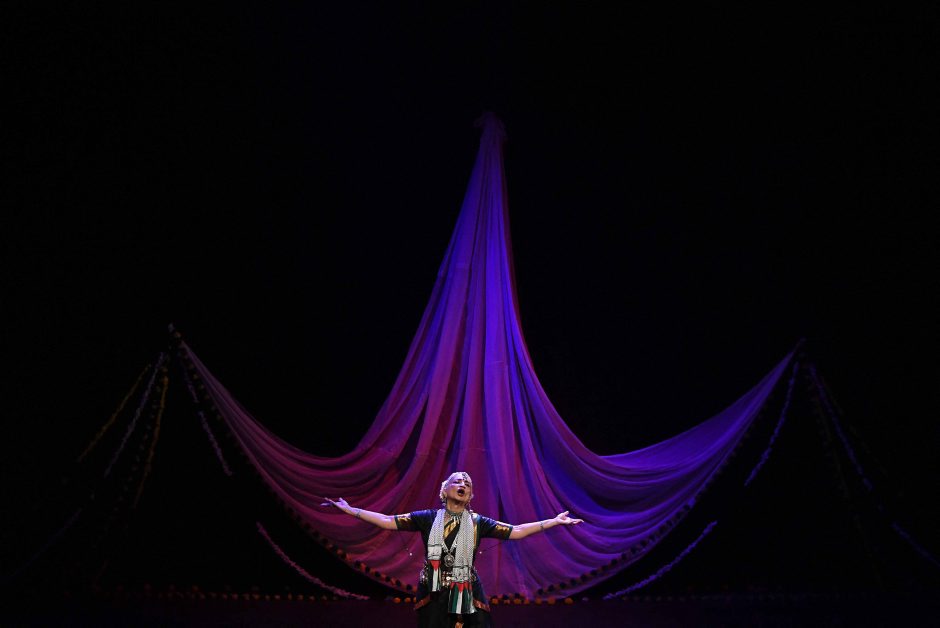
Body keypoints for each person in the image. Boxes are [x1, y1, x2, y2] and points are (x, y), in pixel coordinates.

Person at [326, 471, 583, 627]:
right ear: (445, 489)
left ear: (470, 495)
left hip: (468, 587)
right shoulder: (427, 518)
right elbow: (387, 521)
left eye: (467, 484)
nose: (463, 485)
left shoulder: (478, 522)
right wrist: (350, 510)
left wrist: (553, 521)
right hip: (434, 588)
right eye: (458, 481)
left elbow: (516, 531)